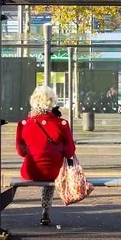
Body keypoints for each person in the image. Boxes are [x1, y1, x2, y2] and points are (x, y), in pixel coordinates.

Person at [16, 86, 75, 226]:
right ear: (52, 101)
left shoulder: (23, 124)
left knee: (41, 168)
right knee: (51, 171)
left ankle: (45, 210)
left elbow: (21, 152)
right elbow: (69, 152)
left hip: (31, 171)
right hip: (55, 172)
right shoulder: (62, 123)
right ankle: (45, 210)